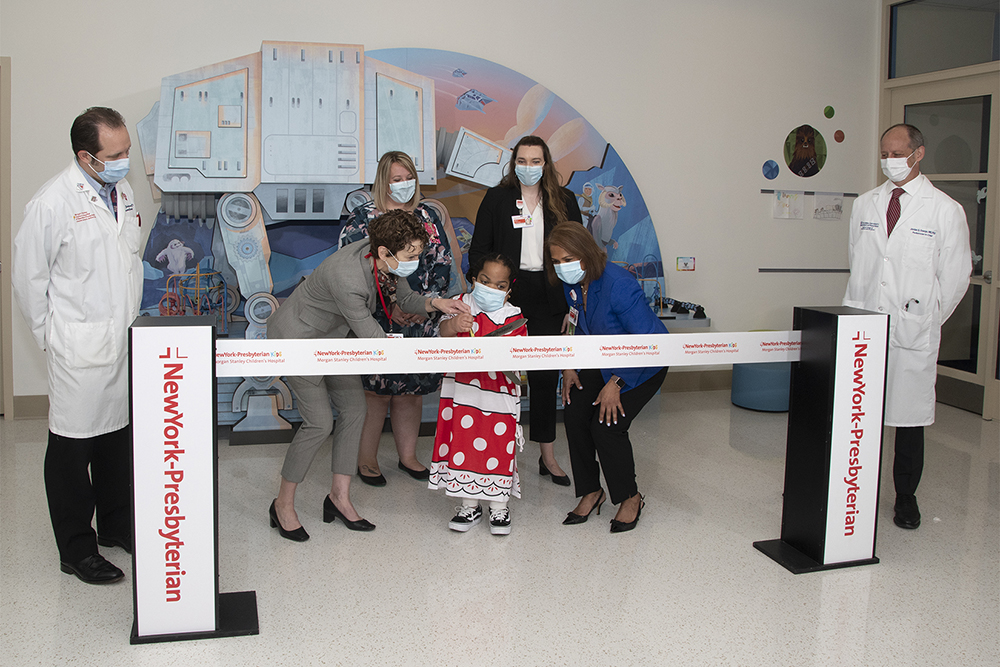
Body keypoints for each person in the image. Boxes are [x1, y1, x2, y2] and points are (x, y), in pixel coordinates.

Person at [266, 209, 469, 540]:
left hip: (334, 337)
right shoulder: (348, 278)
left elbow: (403, 297)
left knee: (355, 410)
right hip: (298, 338)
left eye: (418, 253)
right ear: (387, 253)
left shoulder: (384, 252)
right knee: (319, 423)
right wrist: (427, 349)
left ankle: (339, 498)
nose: (415, 261)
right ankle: (282, 504)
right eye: (411, 255)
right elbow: (376, 342)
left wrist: (437, 305)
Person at [12, 107, 142, 584]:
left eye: (127, 149)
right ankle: (76, 548)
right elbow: (29, 281)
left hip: (121, 343)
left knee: (115, 440)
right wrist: (55, 338)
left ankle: (114, 526)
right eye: (116, 154)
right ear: (86, 157)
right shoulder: (52, 202)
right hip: (78, 348)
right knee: (72, 451)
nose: (125, 159)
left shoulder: (122, 193)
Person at [843, 123, 971, 530]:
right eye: (884, 153)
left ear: (918, 154)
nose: (889, 161)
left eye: (897, 154)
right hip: (863, 327)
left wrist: (925, 319)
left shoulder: (944, 210)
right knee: (858, 413)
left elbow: (955, 278)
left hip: (910, 332)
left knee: (908, 419)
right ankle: (854, 490)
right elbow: (859, 262)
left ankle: (905, 498)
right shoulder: (865, 204)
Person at [339, 151, 461, 486]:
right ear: (382, 181)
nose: (404, 184)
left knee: (412, 391)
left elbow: (442, 262)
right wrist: (393, 302)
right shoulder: (363, 218)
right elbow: (353, 268)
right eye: (396, 179)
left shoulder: (427, 215)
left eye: (408, 177)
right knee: (376, 392)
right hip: (374, 319)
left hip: (421, 318)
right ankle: (367, 460)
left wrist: (426, 305)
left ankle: (408, 457)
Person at [469, 135, 583, 488]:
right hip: (508, 297)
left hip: (551, 296)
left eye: (536, 160)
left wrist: (572, 305)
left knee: (545, 379)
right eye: (523, 160)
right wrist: (489, 296)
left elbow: (578, 252)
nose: (529, 167)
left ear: (546, 163)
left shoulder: (564, 200)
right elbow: (478, 252)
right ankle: (495, 452)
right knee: (499, 376)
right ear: (513, 162)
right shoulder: (497, 198)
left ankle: (547, 456)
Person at [545, 222, 668, 533]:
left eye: (568, 259)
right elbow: (574, 324)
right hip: (601, 359)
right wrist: (569, 365)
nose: (563, 268)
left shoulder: (619, 284)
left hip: (644, 363)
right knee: (574, 413)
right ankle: (591, 491)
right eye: (557, 262)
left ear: (586, 254)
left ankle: (630, 496)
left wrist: (617, 383)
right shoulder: (572, 283)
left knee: (606, 425)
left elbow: (648, 342)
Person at [428, 252, 527, 535]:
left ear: (509, 288)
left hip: (499, 396)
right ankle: (468, 504)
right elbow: (442, 332)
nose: (491, 288)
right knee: (463, 443)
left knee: (498, 445)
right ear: (474, 279)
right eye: (485, 281)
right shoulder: (461, 306)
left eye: (499, 284)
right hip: (462, 394)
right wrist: (452, 325)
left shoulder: (514, 316)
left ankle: (499, 506)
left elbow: (518, 357)